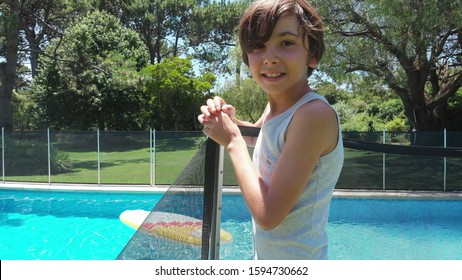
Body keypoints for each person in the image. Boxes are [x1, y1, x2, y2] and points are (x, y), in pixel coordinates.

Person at [198, 0, 344, 260]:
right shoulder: (277, 108)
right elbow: (264, 139)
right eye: (258, 46)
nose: (270, 57)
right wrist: (230, 123)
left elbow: (268, 215)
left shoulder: (313, 115)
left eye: (286, 43)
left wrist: (232, 141)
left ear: (312, 55)